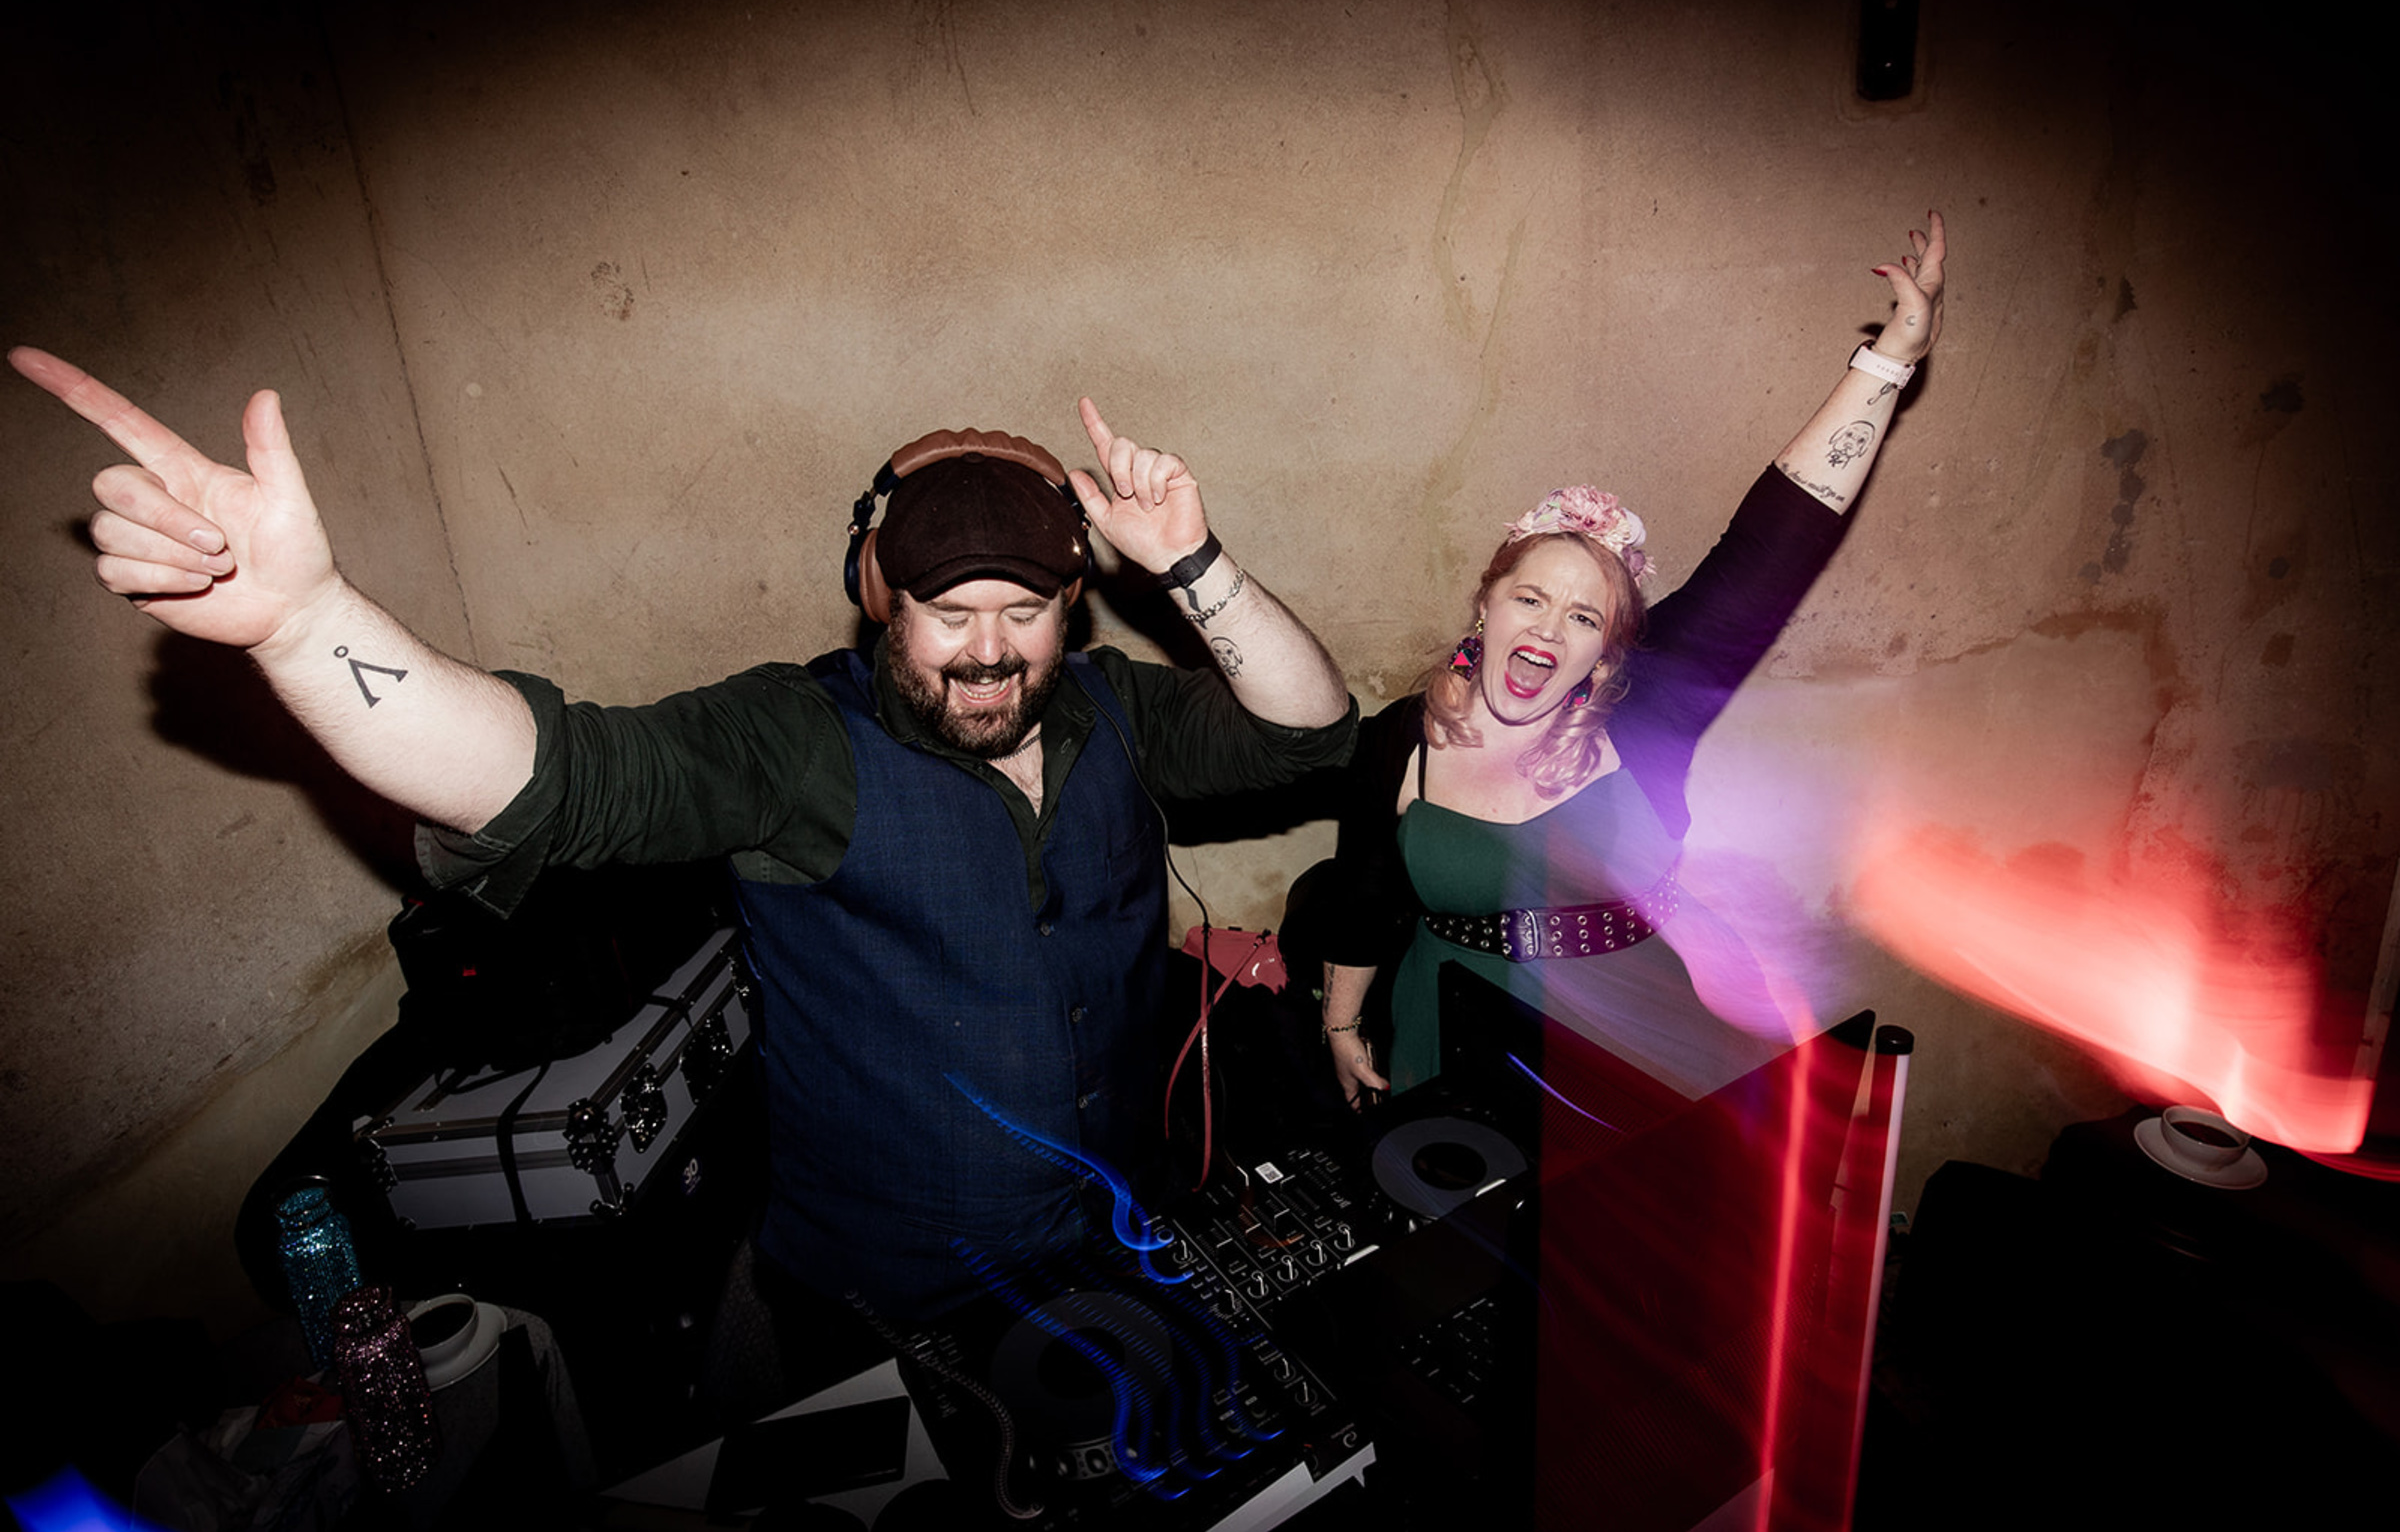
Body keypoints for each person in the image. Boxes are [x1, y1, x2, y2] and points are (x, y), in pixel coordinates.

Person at [15, 347, 1355, 1317]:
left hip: (1113, 1242)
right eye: (951, 612)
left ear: (1075, 607)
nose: (990, 654)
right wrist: (309, 628)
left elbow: (1313, 732)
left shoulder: (1118, 710)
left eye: (1027, 610)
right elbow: (563, 775)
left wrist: (1193, 565)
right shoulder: (790, 743)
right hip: (892, 1300)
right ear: (880, 599)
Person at [1317, 213, 1947, 1109]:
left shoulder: (1646, 714)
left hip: (1635, 1047)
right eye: (1530, 599)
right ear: (1486, 606)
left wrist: (1890, 359)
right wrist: (1343, 1027)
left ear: (1606, 651)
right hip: (1451, 1040)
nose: (1548, 628)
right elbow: (1364, 892)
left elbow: (1770, 550)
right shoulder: (1398, 739)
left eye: (1583, 617)